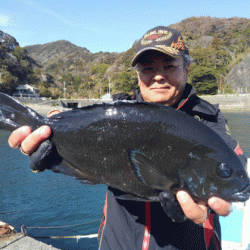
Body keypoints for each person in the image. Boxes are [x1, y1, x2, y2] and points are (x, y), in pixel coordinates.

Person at [8, 26, 246, 250]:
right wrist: (50, 131)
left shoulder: (207, 121)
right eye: (148, 68)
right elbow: (80, 128)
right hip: (116, 241)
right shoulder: (119, 111)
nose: (158, 76)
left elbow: (230, 163)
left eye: (169, 66)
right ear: (138, 74)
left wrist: (218, 204)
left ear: (186, 69)